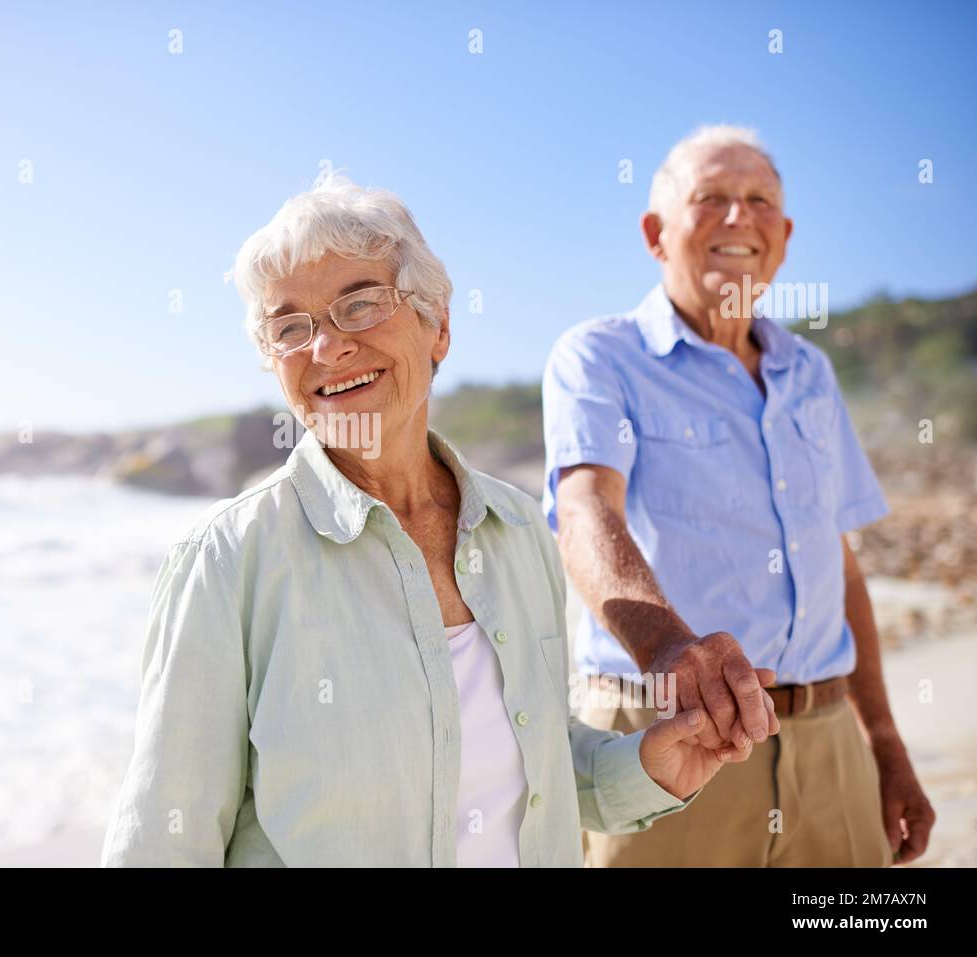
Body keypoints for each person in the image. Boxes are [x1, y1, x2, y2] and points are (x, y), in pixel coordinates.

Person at [102, 173, 775, 867]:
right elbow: (164, 838)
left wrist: (646, 767)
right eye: (289, 328)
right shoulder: (228, 559)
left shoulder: (516, 531)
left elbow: (530, 762)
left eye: (358, 305)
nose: (326, 348)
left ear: (439, 326)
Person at [543, 125, 935, 866]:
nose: (738, 218)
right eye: (711, 198)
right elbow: (586, 509)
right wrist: (669, 647)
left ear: (783, 236)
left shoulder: (810, 371)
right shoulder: (599, 355)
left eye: (758, 201)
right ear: (656, 234)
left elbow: (838, 563)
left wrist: (884, 742)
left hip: (828, 742)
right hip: (667, 735)